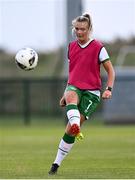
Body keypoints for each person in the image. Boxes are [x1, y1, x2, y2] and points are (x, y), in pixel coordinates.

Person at [48, 13, 115, 175]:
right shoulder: (71, 47)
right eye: (77, 29)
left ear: (89, 29)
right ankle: (55, 166)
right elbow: (73, 73)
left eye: (82, 29)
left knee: (70, 129)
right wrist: (65, 93)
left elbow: (111, 71)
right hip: (74, 86)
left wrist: (108, 89)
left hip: (92, 93)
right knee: (71, 97)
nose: (79, 32)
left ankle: (58, 161)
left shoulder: (99, 47)